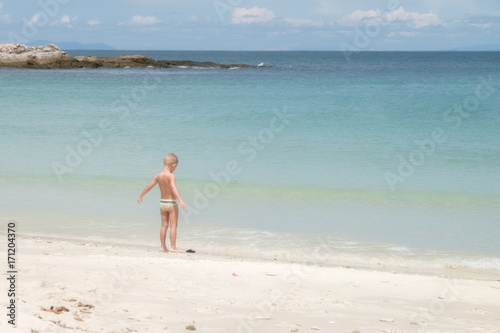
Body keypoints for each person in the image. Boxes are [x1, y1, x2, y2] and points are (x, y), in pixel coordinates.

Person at [137, 153, 188, 253]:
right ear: (173, 165)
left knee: (164, 225)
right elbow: (173, 188)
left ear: (162, 163)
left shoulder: (158, 176)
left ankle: (163, 246)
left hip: (162, 203)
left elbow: (148, 187)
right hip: (171, 203)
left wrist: (141, 195)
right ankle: (173, 247)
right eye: (175, 167)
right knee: (173, 226)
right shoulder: (171, 176)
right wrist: (181, 200)